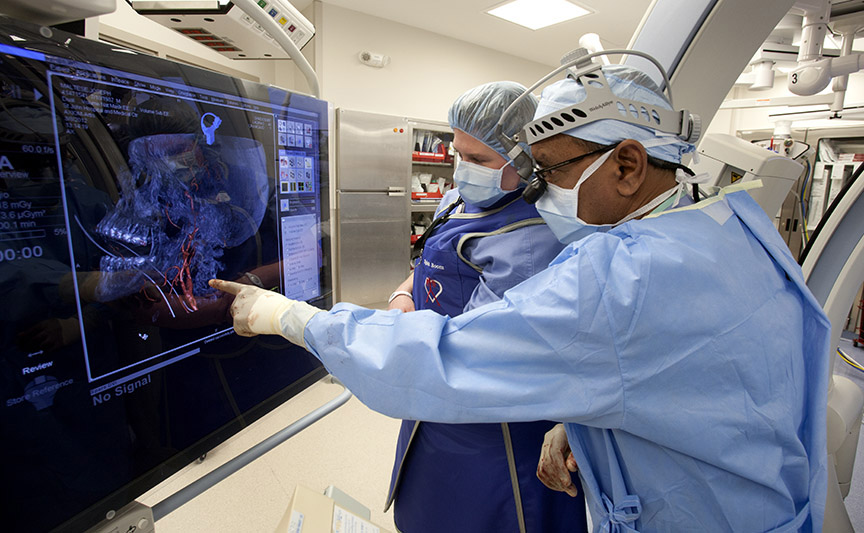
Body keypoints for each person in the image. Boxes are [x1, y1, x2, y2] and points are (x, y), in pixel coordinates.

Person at [211, 63, 830, 531]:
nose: (541, 192)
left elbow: (445, 358)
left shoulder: (619, 276)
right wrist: (589, 416)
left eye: (553, 172)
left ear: (628, 165)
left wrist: (291, 318)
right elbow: (710, 372)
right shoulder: (729, 225)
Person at [384, 81, 582, 533]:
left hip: (490, 424)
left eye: (478, 160)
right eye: (458, 153)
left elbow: (474, 353)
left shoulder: (532, 240)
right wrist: (402, 295)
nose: (461, 171)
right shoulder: (463, 199)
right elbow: (429, 261)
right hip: (433, 407)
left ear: (526, 161)